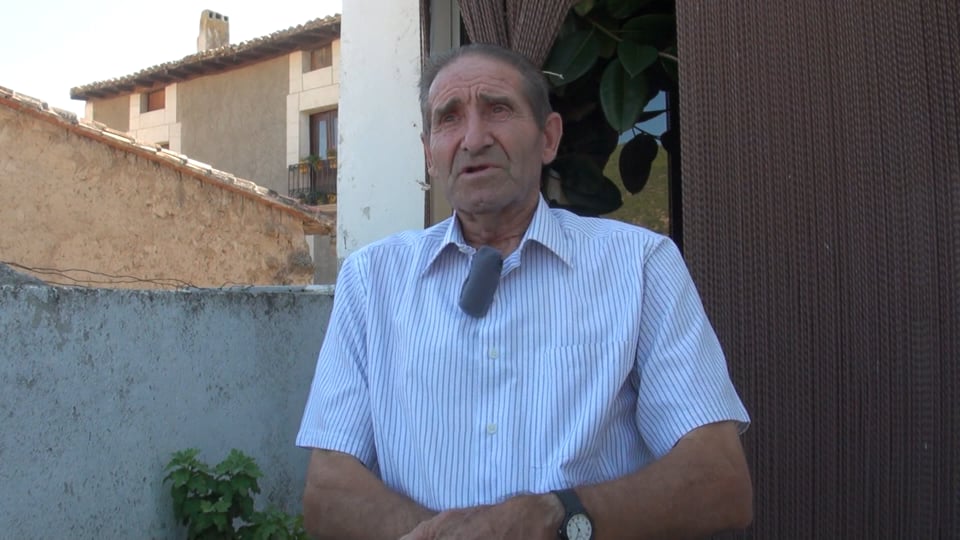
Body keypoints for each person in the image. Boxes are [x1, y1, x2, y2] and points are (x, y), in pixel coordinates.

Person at [296, 43, 752, 540]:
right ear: (429, 154)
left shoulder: (640, 266)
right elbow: (328, 491)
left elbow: (719, 480)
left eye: (498, 109)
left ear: (548, 137)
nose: (474, 139)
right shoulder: (371, 281)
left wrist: (557, 515)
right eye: (449, 118)